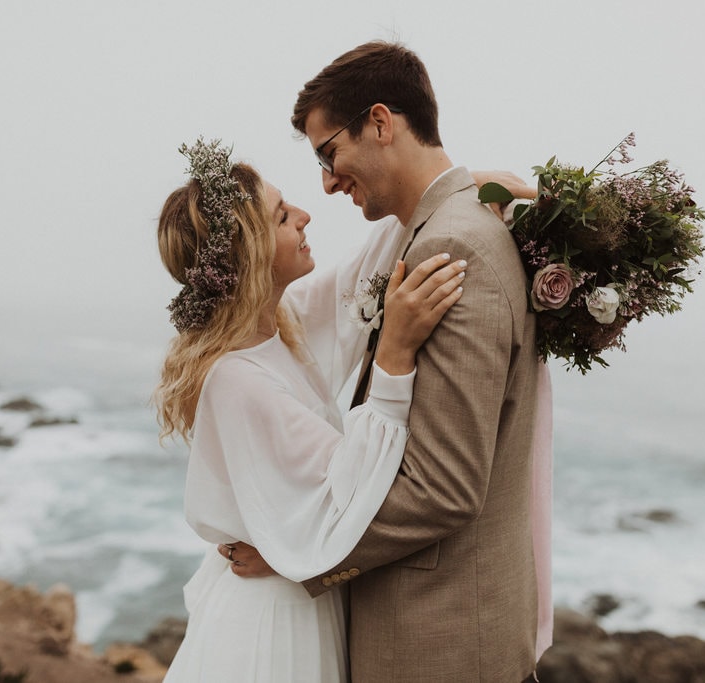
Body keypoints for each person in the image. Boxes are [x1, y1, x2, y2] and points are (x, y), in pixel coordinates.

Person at [235, 41, 554, 682]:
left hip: (441, 643)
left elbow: (443, 489)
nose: (326, 182)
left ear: (381, 123)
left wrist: (303, 554)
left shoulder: (454, 246)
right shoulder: (426, 232)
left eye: (330, 153)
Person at [155, 138, 470, 682]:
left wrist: (481, 190)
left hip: (292, 597)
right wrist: (394, 356)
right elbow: (351, 490)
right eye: (282, 216)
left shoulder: (284, 321)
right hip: (273, 626)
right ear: (251, 253)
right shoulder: (235, 379)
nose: (304, 216)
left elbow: (373, 259)